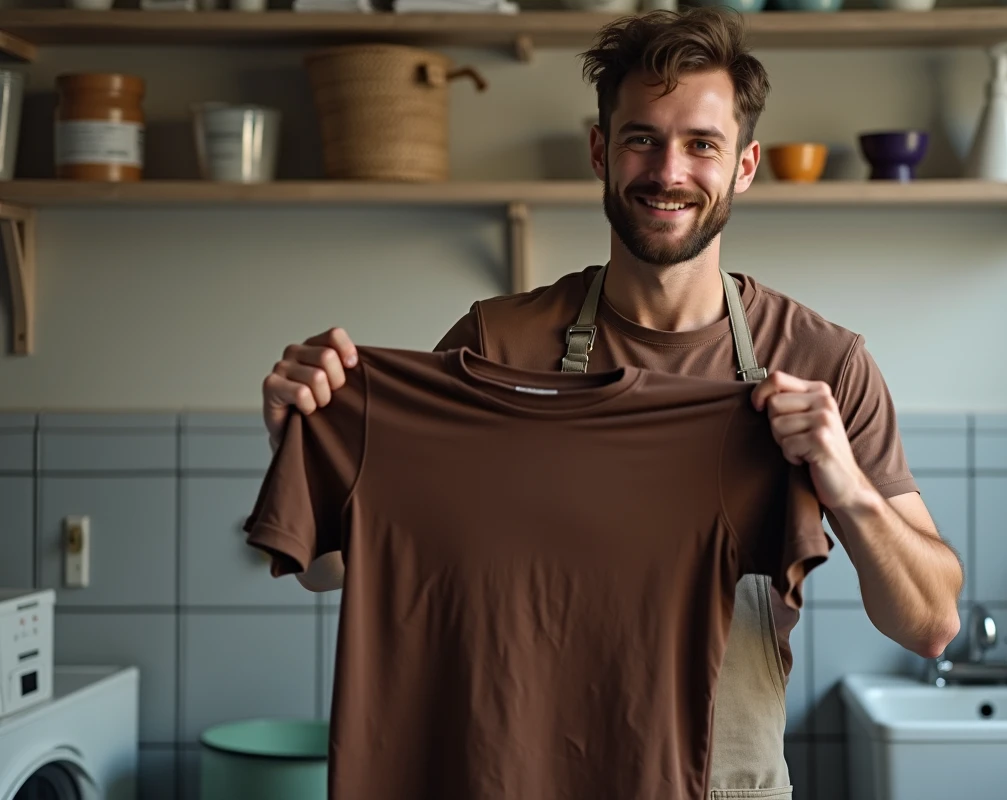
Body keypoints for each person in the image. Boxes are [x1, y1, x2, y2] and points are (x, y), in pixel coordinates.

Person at [259, 8, 962, 797]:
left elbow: (931, 624)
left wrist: (846, 486)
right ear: (601, 151)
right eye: (641, 139)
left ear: (745, 165)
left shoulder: (823, 364)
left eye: (702, 144)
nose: (669, 171)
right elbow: (345, 567)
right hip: (523, 780)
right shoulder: (497, 343)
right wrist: (302, 441)